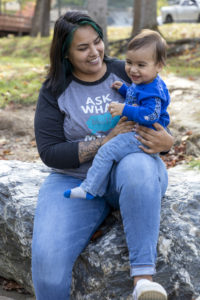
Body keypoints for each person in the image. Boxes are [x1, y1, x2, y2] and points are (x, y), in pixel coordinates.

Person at [32, 10, 173, 300]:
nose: (95, 52)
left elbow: (161, 117)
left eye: (97, 41)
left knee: (137, 167)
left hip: (133, 172)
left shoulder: (129, 70)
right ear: (65, 53)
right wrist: (106, 140)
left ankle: (143, 282)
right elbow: (50, 152)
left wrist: (167, 142)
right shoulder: (54, 90)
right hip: (76, 179)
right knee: (47, 264)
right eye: (82, 48)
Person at [64, 29, 170, 200]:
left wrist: (123, 109)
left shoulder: (153, 90)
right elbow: (137, 97)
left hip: (140, 135)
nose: (133, 70)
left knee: (106, 151)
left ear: (159, 66)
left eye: (141, 65)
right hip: (136, 132)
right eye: (129, 62)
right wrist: (124, 89)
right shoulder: (145, 82)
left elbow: (151, 114)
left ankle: (90, 188)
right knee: (108, 152)